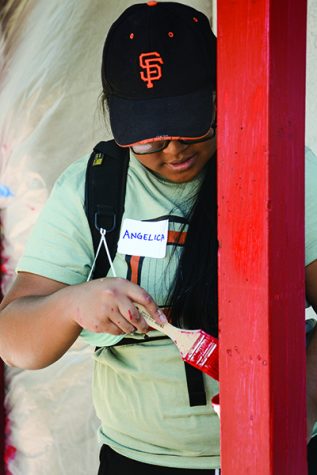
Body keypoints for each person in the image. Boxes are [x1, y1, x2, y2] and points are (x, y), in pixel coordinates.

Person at [0, 2, 316, 474]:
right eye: (148, 138)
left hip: (277, 455)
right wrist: (73, 304)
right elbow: (15, 338)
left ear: (219, 94)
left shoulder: (281, 166)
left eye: (191, 128)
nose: (174, 152)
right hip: (138, 461)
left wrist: (299, 397)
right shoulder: (93, 187)